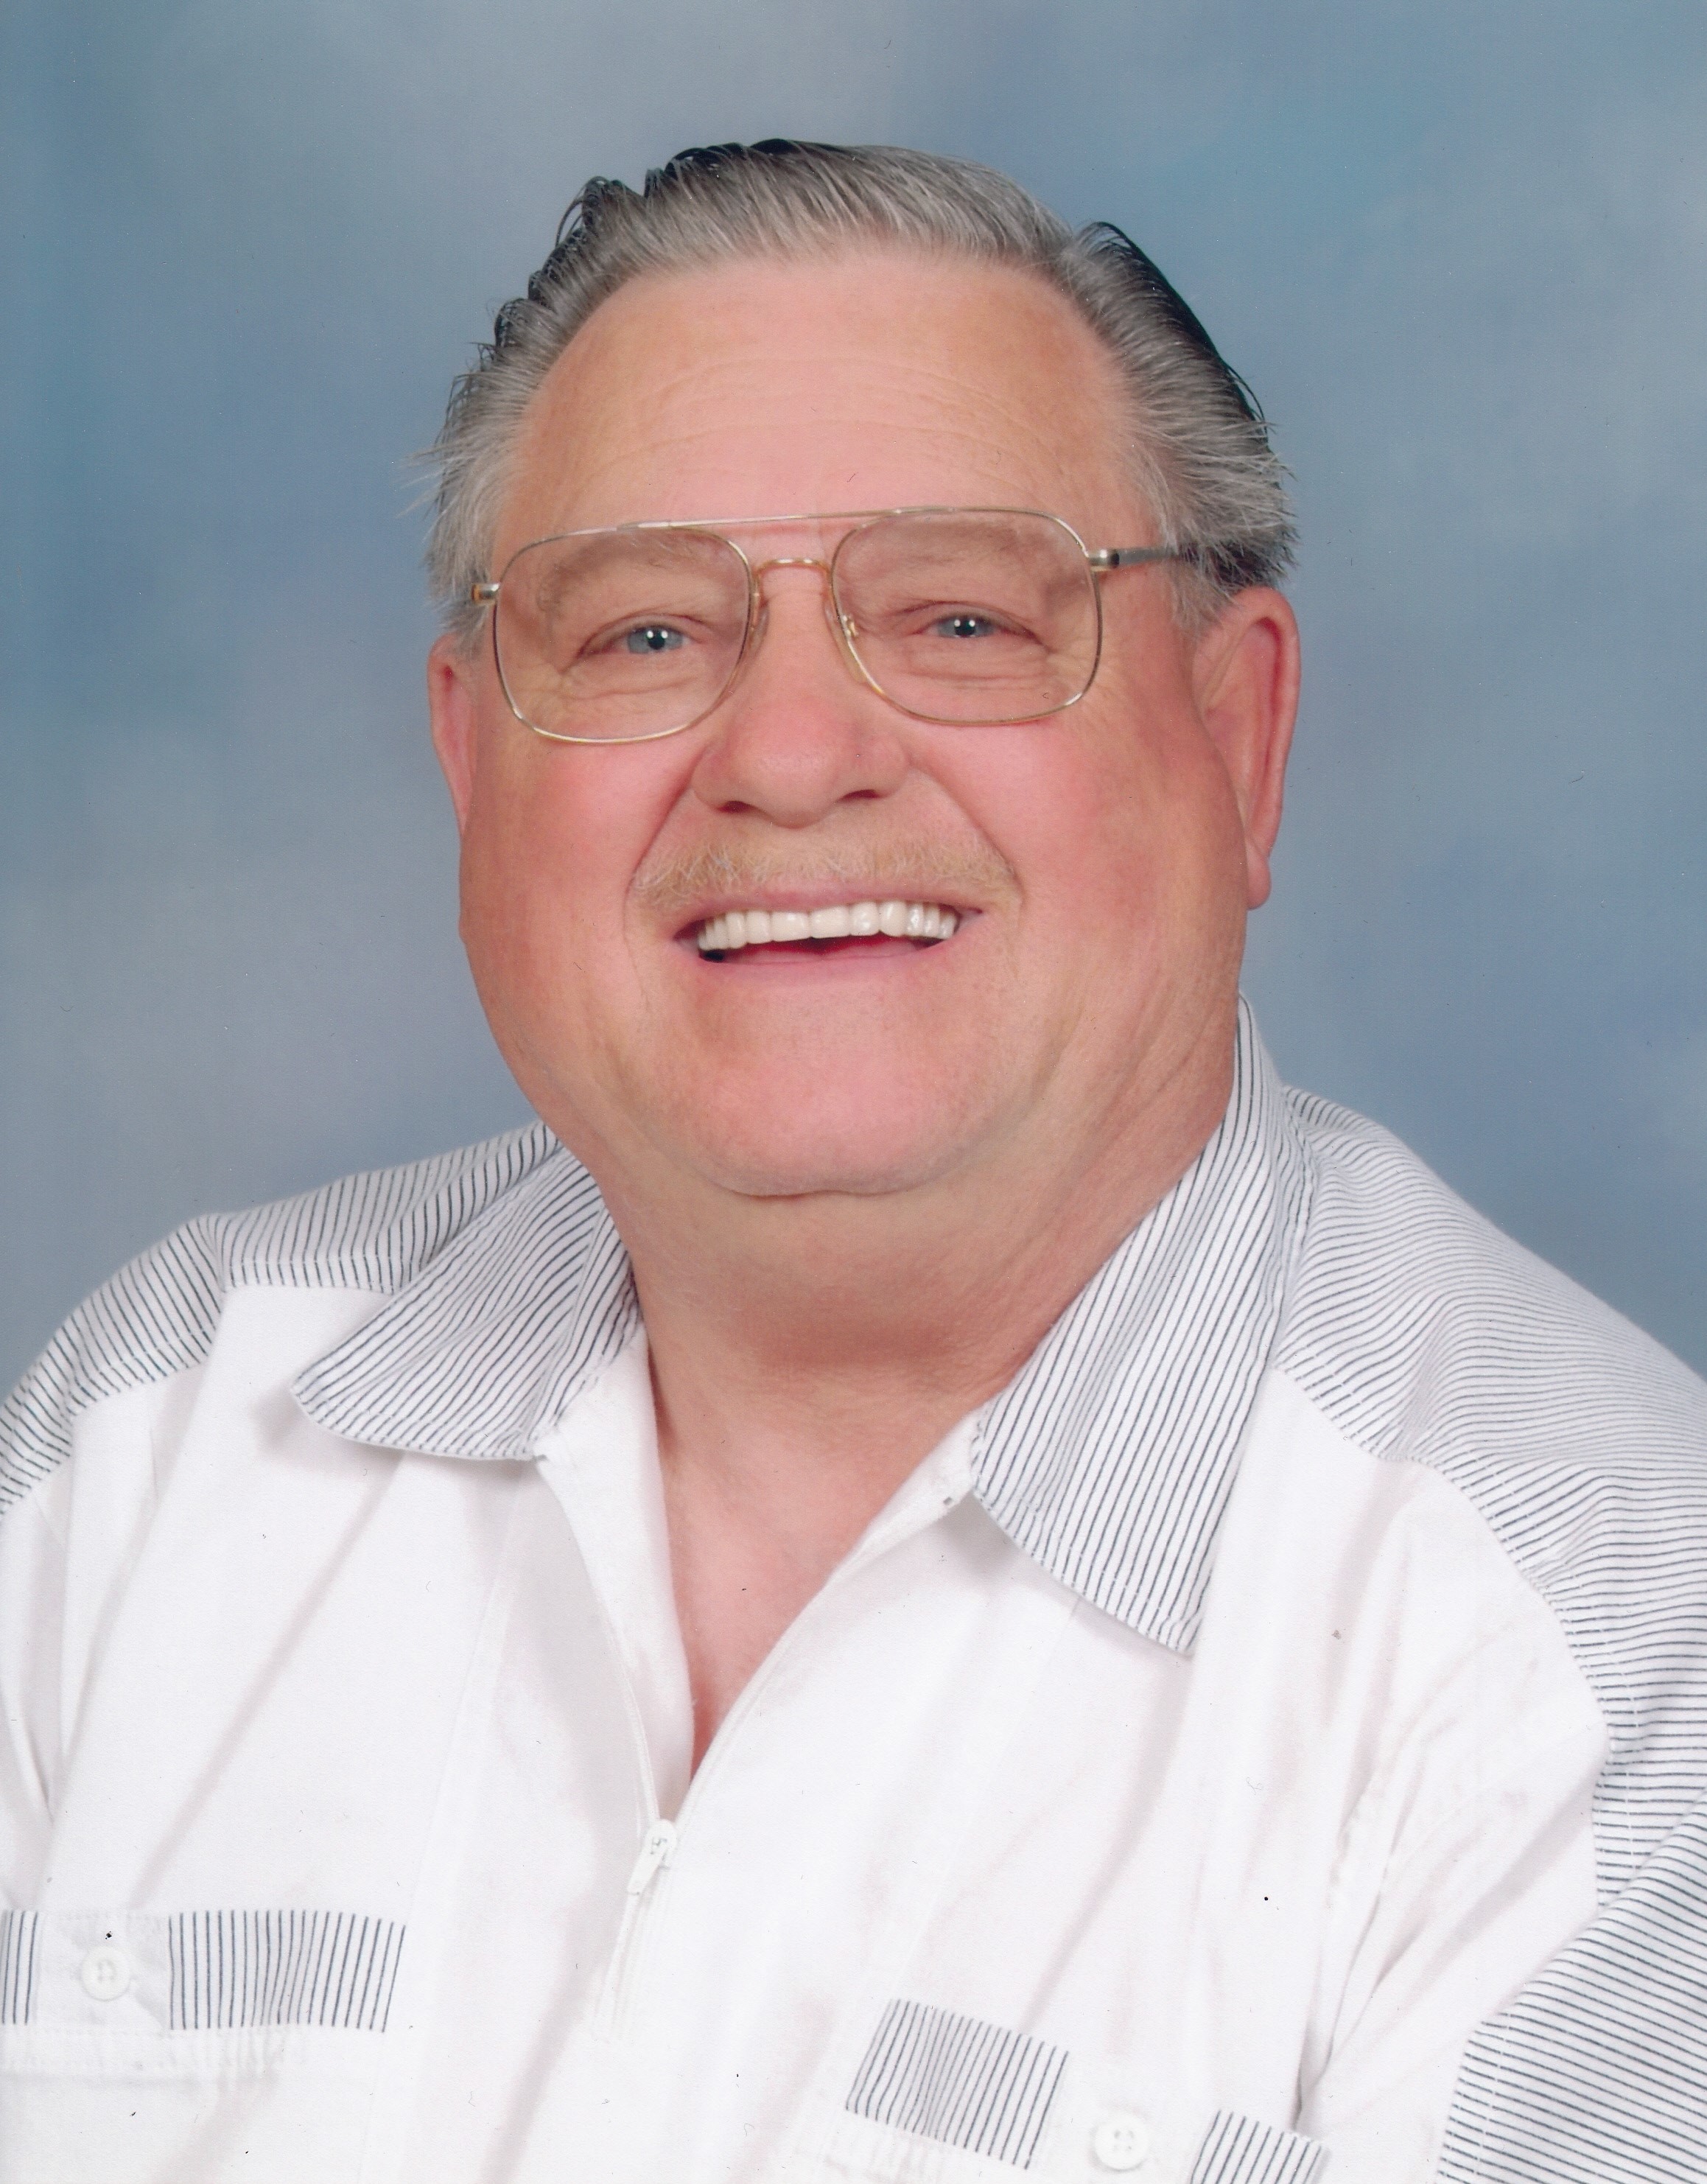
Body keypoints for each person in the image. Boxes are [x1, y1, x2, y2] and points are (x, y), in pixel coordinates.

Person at [1, 139, 1703, 2184]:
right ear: (469, 761)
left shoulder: (1595, 1647)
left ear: (1239, 738)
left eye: (964, 616)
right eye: (644, 635)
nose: (793, 755)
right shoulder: (158, 1432)